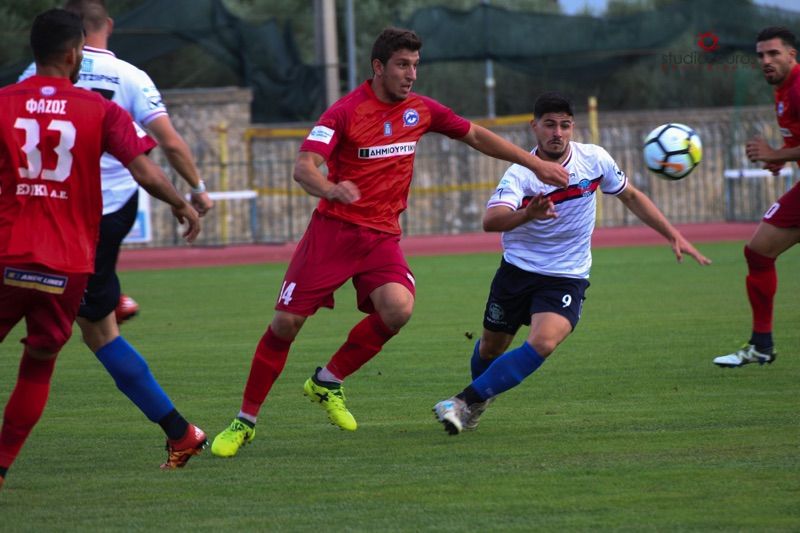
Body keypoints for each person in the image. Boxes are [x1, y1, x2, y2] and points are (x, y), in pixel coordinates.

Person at [210, 27, 570, 457]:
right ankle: (245, 421)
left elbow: (475, 134)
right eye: (402, 65)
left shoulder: (421, 110)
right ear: (378, 67)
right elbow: (304, 167)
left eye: (415, 65)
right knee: (285, 325)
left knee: (398, 309)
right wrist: (330, 189)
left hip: (380, 238)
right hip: (332, 234)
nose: (411, 74)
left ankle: (327, 381)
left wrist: (534, 164)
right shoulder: (344, 113)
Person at [0, 8, 202, 489]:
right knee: (40, 364)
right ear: (74, 54)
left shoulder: (5, 102)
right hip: (69, 263)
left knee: (101, 332)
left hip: (8, 253)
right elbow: (145, 170)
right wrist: (182, 203)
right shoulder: (100, 109)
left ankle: (179, 431)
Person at [432, 92, 712, 435]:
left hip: (567, 275)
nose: (557, 133)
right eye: (549, 124)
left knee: (544, 342)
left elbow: (631, 195)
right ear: (534, 127)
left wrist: (672, 234)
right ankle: (477, 401)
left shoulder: (594, 159)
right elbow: (491, 221)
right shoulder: (521, 174)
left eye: (565, 125)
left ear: (572, 127)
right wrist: (528, 214)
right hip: (517, 272)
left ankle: (462, 402)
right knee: (491, 348)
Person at [713, 26, 800, 368]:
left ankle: (762, 345)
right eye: (761, 55)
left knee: (759, 253)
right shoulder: (783, 90)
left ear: (792, 55)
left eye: (774, 53)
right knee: (759, 253)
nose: (766, 60)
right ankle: (761, 345)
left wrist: (776, 154)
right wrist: (782, 156)